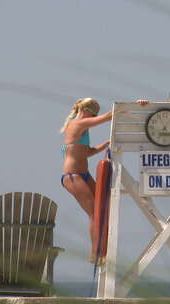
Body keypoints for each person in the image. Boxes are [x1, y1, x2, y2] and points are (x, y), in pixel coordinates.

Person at [60, 97, 112, 262]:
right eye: (93, 113)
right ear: (86, 111)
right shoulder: (77, 124)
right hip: (72, 176)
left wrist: (105, 145)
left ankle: (102, 249)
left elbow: (86, 152)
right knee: (94, 213)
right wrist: (128, 107)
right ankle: (95, 253)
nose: (93, 117)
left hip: (84, 174)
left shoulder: (83, 129)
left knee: (103, 207)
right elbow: (105, 118)